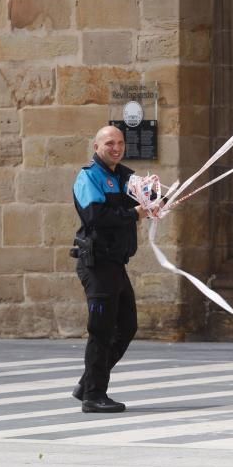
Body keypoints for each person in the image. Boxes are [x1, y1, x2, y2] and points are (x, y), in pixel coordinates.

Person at [70, 125, 150, 413]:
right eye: (109, 143)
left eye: (120, 143)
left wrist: (160, 201)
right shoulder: (89, 177)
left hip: (116, 265)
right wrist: (133, 214)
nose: (115, 148)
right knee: (101, 330)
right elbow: (96, 217)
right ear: (96, 147)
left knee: (127, 326)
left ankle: (88, 382)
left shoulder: (124, 175)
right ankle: (93, 395)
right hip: (97, 265)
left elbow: (145, 197)